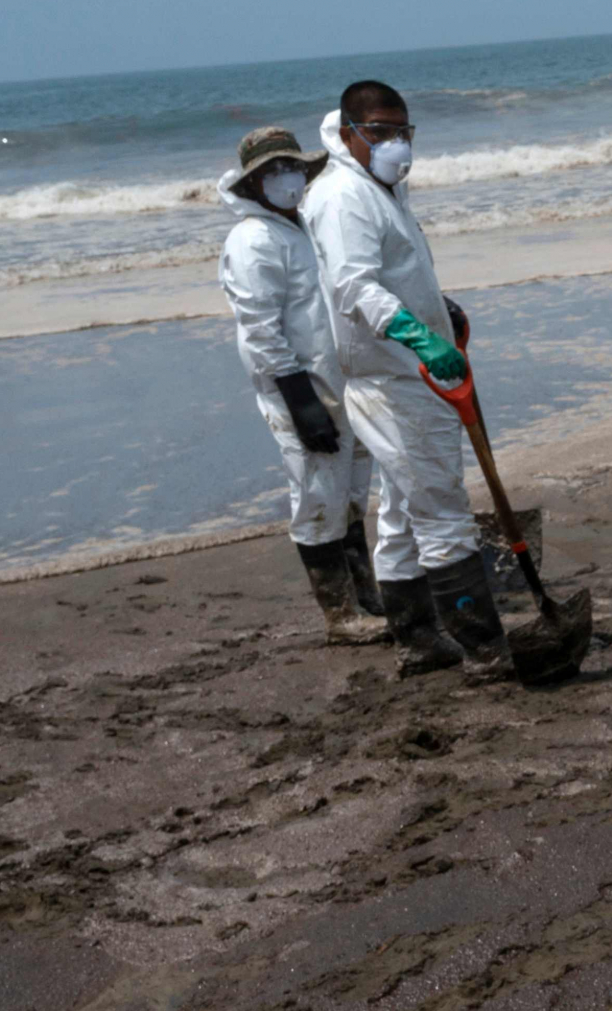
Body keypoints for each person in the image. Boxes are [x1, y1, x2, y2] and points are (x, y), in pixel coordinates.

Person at [305, 79, 513, 682]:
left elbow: (397, 271)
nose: (397, 143)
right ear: (349, 133)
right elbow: (352, 287)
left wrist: (437, 310)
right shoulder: (344, 196)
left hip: (411, 369)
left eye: (403, 131)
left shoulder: (382, 189)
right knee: (443, 510)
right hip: (395, 377)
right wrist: (419, 336)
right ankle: (483, 647)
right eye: (381, 132)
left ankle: (419, 640)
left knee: (400, 509)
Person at [217, 124, 384, 642]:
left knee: (352, 493)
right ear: (252, 185)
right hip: (300, 390)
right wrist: (299, 400)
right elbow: (260, 331)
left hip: (342, 382)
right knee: (318, 495)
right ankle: (340, 615)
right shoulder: (253, 241)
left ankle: (366, 596)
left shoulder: (304, 226)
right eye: (273, 172)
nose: (287, 179)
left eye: (291, 168)